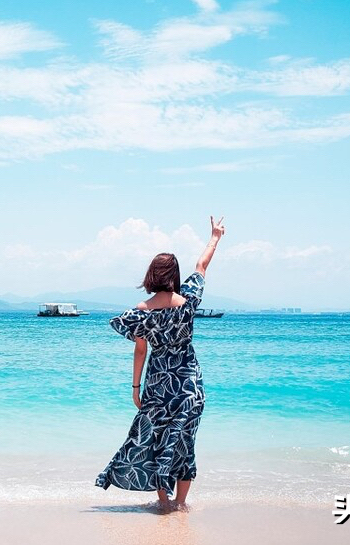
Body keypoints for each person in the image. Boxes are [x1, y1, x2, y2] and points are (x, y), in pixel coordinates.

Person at [94, 216, 226, 512]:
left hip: (158, 387)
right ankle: (180, 504)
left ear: (151, 275)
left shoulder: (140, 313)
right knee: (184, 443)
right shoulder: (189, 302)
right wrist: (215, 237)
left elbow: (140, 352)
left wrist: (135, 387)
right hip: (190, 386)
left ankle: (164, 503)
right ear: (174, 275)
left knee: (156, 441)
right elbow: (201, 266)